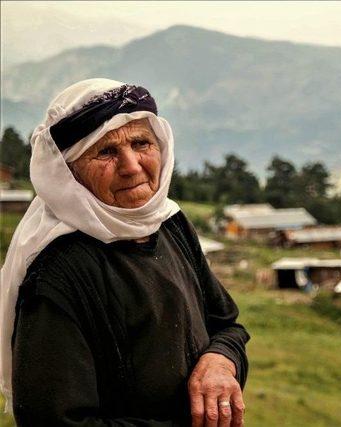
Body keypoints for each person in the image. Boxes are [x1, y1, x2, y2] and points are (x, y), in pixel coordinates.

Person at [0, 79, 250, 426]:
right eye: (105, 152)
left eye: (141, 142)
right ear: (68, 172)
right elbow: (56, 420)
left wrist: (220, 362)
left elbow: (226, 325)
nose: (131, 165)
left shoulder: (170, 225)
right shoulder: (59, 273)